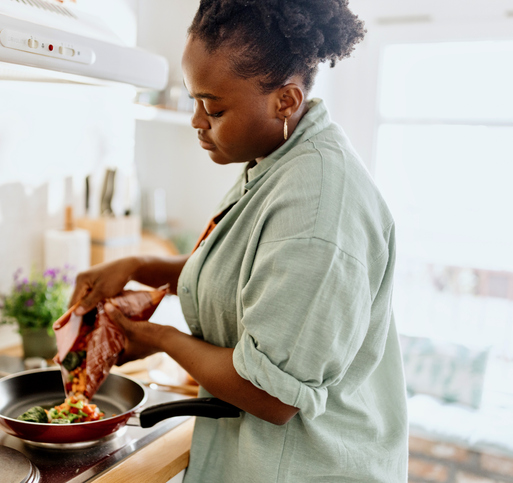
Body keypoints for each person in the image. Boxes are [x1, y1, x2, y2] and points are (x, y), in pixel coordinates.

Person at [69, 0, 408, 481]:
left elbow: (272, 394)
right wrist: (140, 265)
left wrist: (160, 338)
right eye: (194, 101)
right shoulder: (278, 156)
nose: (196, 121)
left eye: (214, 106)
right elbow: (244, 268)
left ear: (285, 101)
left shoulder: (318, 207)